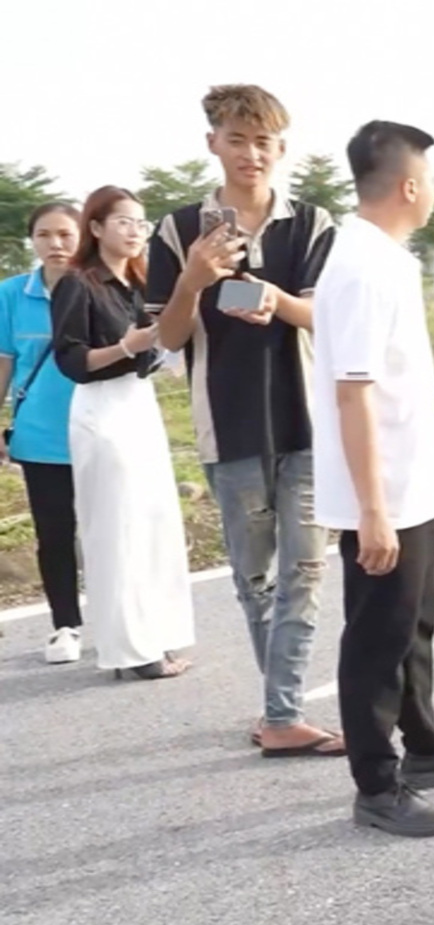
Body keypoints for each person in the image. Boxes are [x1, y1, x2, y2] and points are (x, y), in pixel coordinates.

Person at [312, 120, 434, 837]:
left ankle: (423, 744)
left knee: (414, 623)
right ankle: (375, 784)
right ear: (411, 185)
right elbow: (351, 391)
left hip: (410, 483)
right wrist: (373, 511)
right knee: (376, 636)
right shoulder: (362, 266)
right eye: (432, 178)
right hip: (382, 492)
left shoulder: (383, 258)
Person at [149, 84, 342, 757]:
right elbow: (167, 338)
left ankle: (282, 713)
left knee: (306, 572)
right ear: (213, 144)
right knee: (255, 579)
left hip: (306, 422)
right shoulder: (177, 230)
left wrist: (274, 299)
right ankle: (281, 710)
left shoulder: (313, 224)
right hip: (225, 425)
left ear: (280, 148)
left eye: (263, 142)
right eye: (237, 139)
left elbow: (325, 315)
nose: (251, 154)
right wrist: (192, 280)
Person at [49, 187, 196, 680]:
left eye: (141, 224)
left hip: (139, 405)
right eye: (123, 223)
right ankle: (130, 651)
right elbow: (72, 360)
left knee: (152, 526)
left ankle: (152, 637)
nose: (135, 232)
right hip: (101, 412)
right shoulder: (78, 283)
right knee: (116, 531)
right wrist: (124, 347)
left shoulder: (139, 281)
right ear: (96, 228)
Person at [1, 202, 85, 664]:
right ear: (31, 240)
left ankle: (121, 622)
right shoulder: (11, 295)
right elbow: (3, 365)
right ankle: (65, 625)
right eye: (45, 235)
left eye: (65, 235)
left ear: (82, 237)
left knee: (109, 531)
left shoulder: (99, 288)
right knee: (54, 534)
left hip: (99, 433)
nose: (56, 244)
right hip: (40, 438)